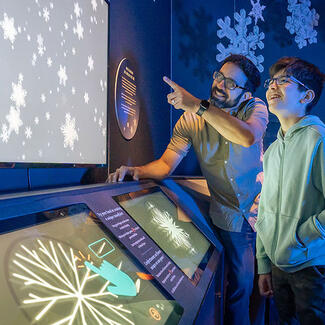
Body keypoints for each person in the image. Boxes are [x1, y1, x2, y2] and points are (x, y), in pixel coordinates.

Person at [108, 54, 269, 325]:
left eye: (231, 83)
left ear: (246, 93)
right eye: (219, 76)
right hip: (225, 215)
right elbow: (166, 164)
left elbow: (247, 135)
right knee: (234, 288)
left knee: (253, 288)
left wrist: (197, 104)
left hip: (259, 213)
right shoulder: (190, 121)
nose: (220, 84)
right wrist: (135, 171)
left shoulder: (256, 108)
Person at [256, 57, 325, 324]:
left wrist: (301, 236)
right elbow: (265, 209)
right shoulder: (272, 150)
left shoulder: (318, 140)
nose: (273, 87)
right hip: (278, 265)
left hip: (311, 267)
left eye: (284, 81)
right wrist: (264, 264)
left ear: (307, 95)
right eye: (271, 81)